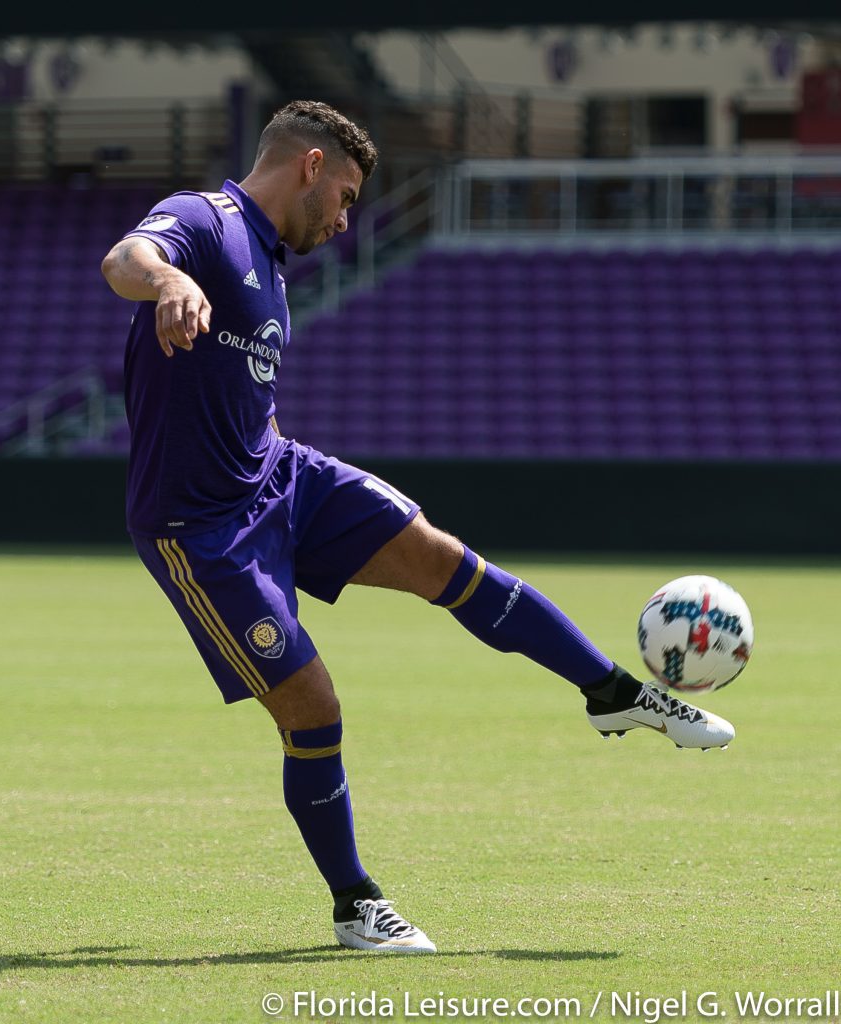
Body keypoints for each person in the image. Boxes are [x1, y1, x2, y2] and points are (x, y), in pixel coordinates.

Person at [101, 99, 735, 955]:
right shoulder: (205, 220)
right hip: (201, 527)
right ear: (312, 167)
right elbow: (125, 258)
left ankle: (613, 694)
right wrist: (170, 280)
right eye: (349, 195)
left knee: (444, 559)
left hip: (282, 475)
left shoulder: (273, 264)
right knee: (312, 708)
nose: (346, 218)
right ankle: (354, 905)